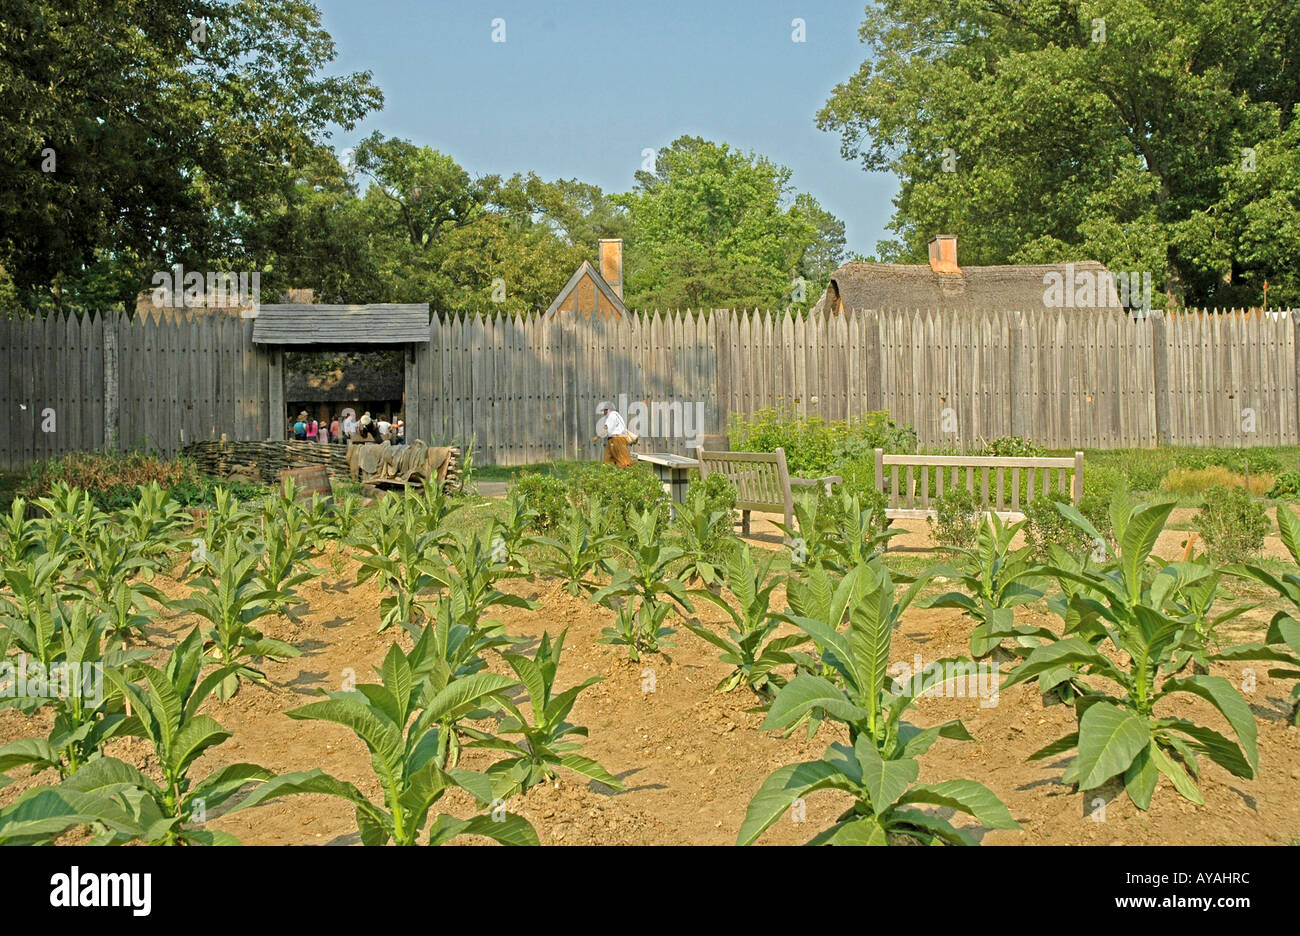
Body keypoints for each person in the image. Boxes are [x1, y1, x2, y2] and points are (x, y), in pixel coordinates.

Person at [594, 401, 633, 468]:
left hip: (616, 439)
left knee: (622, 458)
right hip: (616, 439)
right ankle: (607, 471)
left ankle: (627, 471)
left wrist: (597, 437)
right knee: (608, 457)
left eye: (605, 410)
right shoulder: (618, 416)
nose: (604, 412)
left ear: (608, 410)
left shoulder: (611, 416)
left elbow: (606, 429)